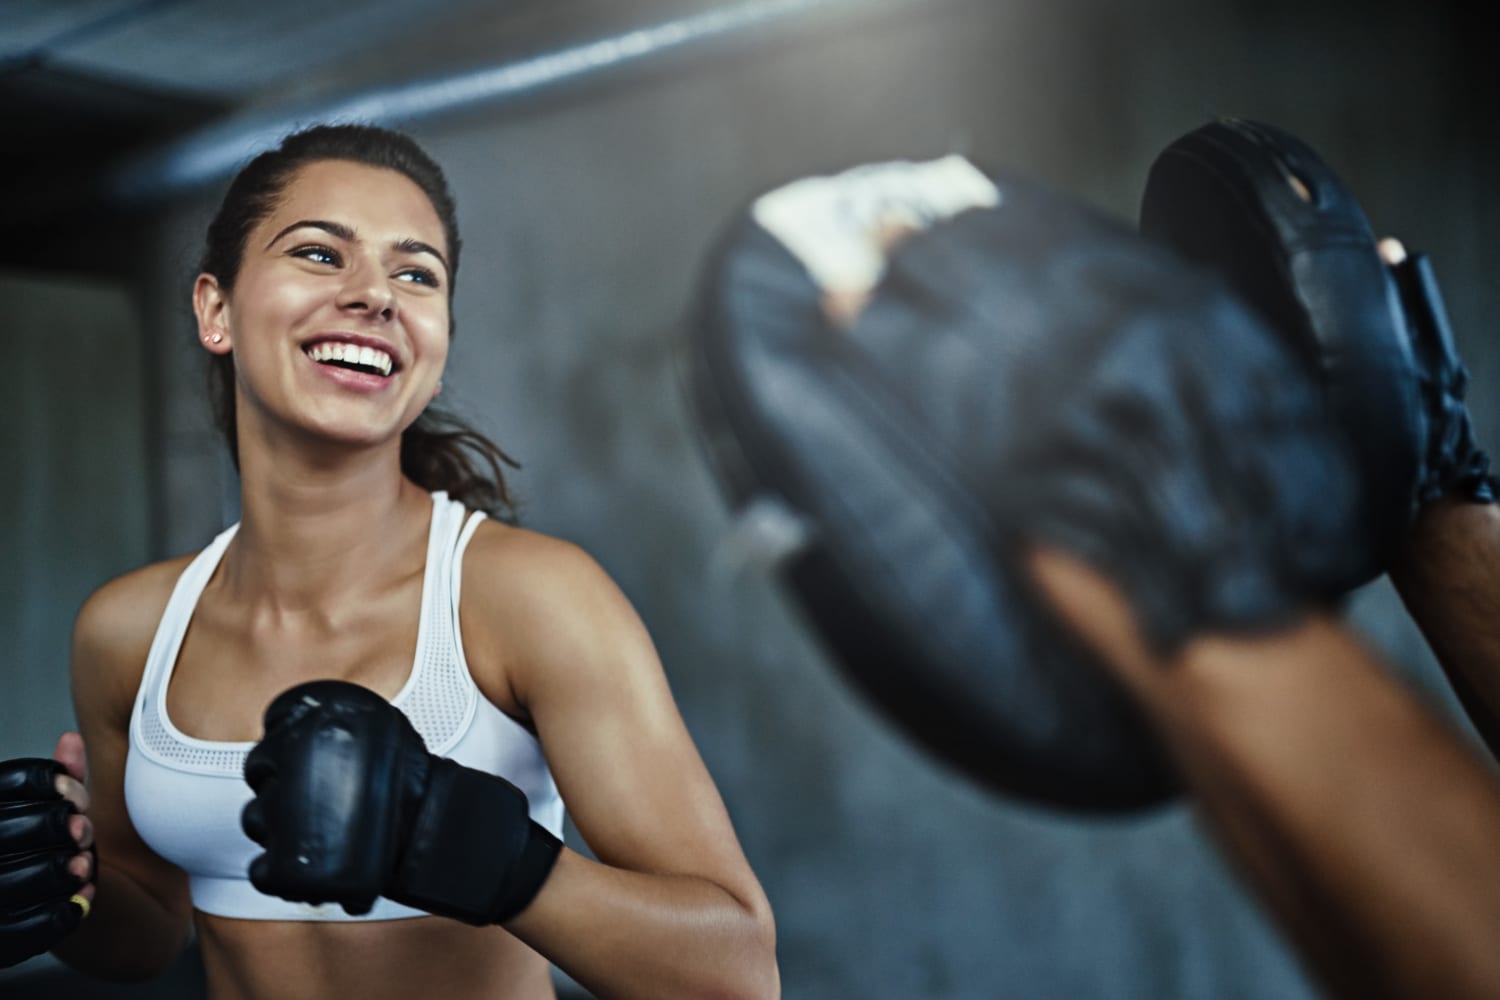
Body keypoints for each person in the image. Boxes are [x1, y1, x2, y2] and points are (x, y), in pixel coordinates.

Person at [0, 124, 778, 1000]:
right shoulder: (128, 630)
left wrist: (493, 859)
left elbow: (737, 973)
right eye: (321, 254)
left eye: (416, 274)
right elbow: (148, 930)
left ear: (434, 352)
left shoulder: (526, 598)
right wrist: (65, 884)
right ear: (215, 310)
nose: (375, 294)